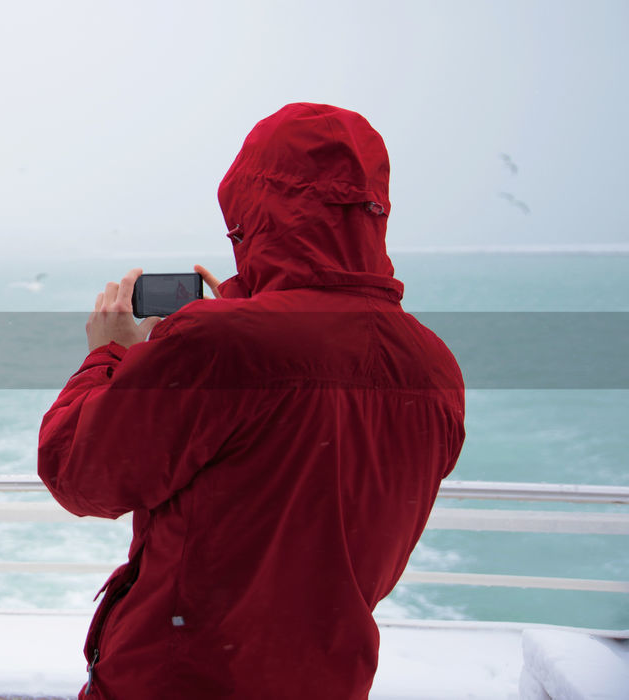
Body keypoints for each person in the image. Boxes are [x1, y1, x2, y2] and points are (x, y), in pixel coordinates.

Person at [37, 103, 465, 699]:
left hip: (179, 684)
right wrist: (236, 310)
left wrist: (108, 355)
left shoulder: (220, 344)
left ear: (251, 209)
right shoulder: (433, 365)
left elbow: (77, 473)